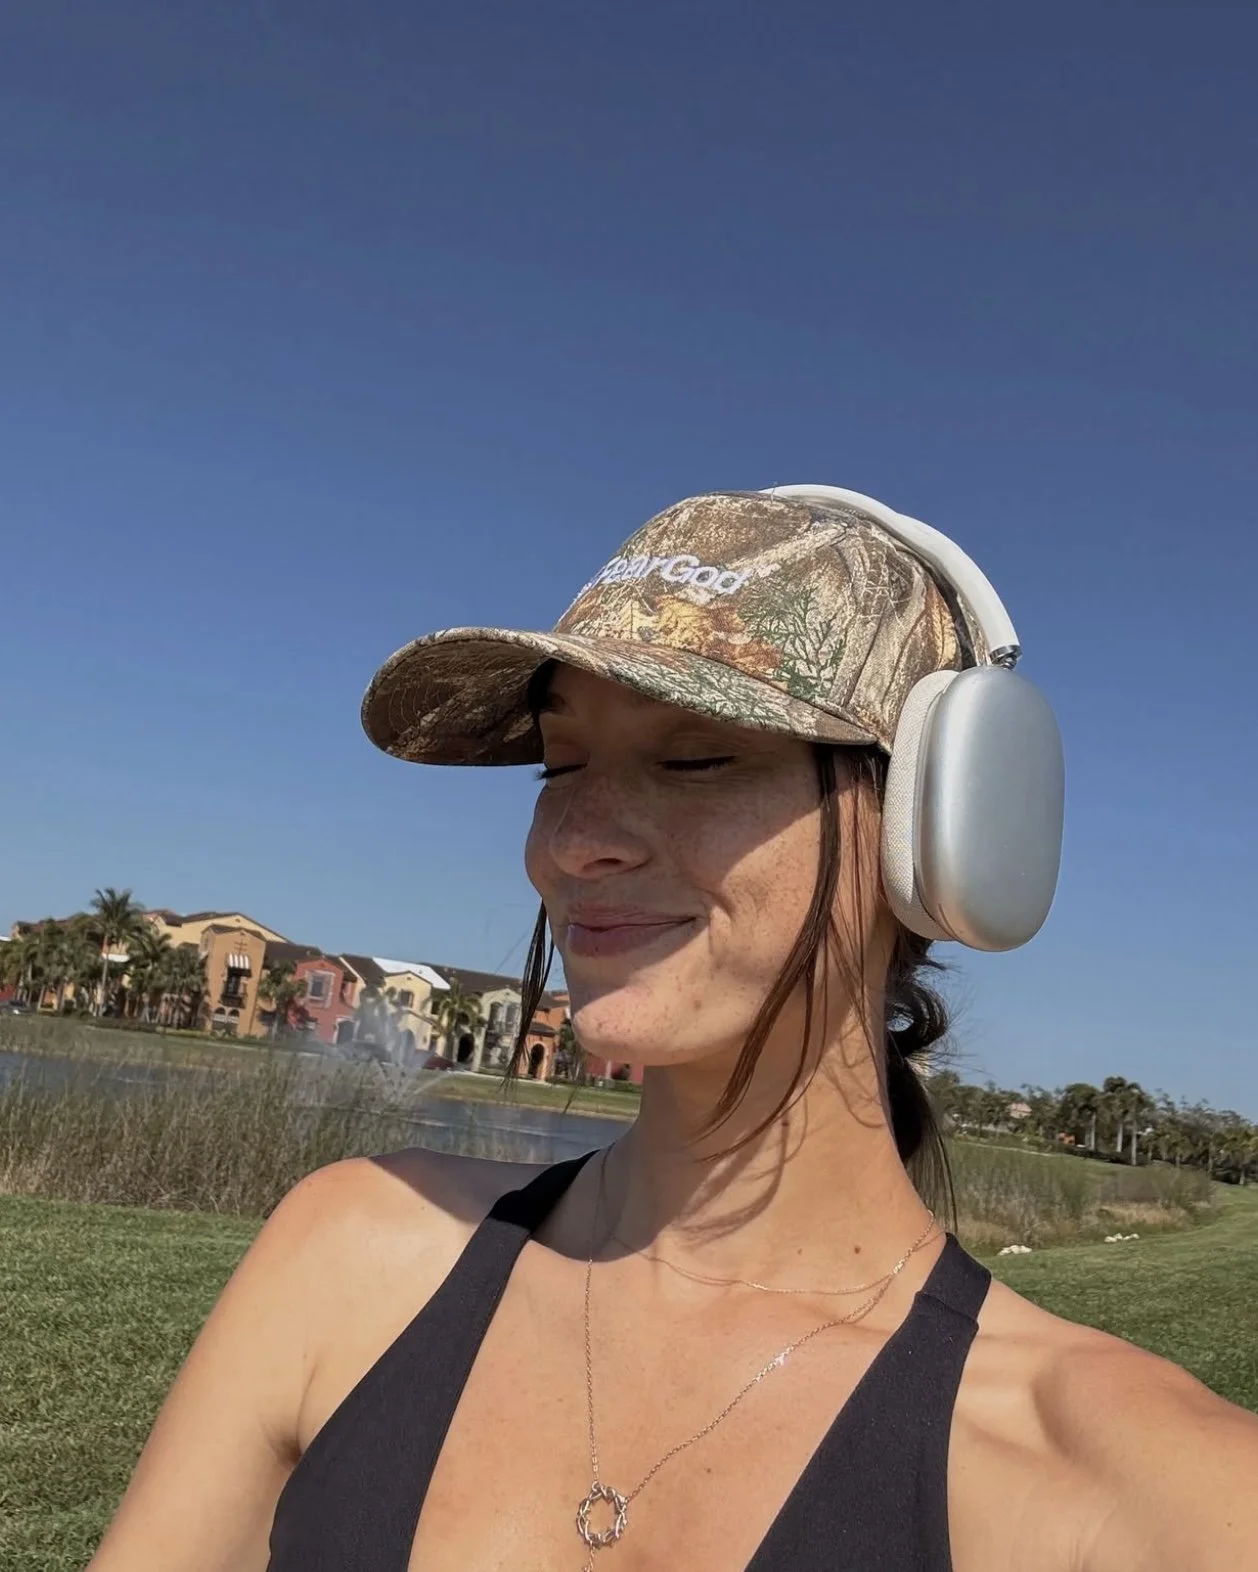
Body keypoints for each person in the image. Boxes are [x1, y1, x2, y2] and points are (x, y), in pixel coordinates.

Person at [90, 489, 1258, 1572]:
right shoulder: (349, 1259)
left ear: (937, 835)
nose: (575, 839)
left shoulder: (1144, 1495)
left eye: (698, 756)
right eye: (560, 762)